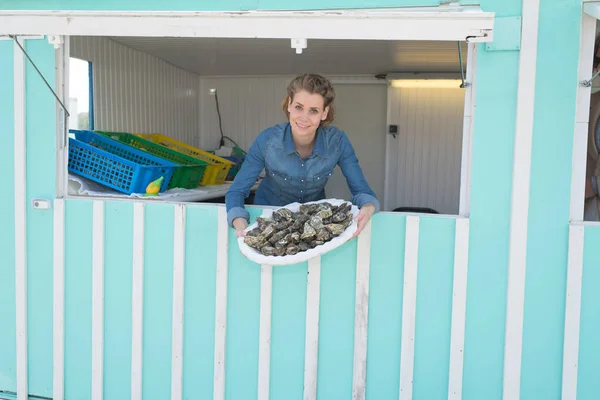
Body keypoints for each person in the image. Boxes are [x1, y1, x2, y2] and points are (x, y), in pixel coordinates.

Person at [225, 73, 380, 238]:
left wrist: (368, 207)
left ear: (324, 113)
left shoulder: (337, 142)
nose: (304, 118)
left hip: (312, 227)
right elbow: (236, 191)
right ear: (289, 105)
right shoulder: (267, 140)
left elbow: (362, 191)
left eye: (314, 110)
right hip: (268, 224)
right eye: (299, 107)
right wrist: (240, 224)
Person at [585, 36, 600, 221]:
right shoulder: (589, 102)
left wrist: (593, 185)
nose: (597, 69)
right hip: (589, 216)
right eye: (596, 61)